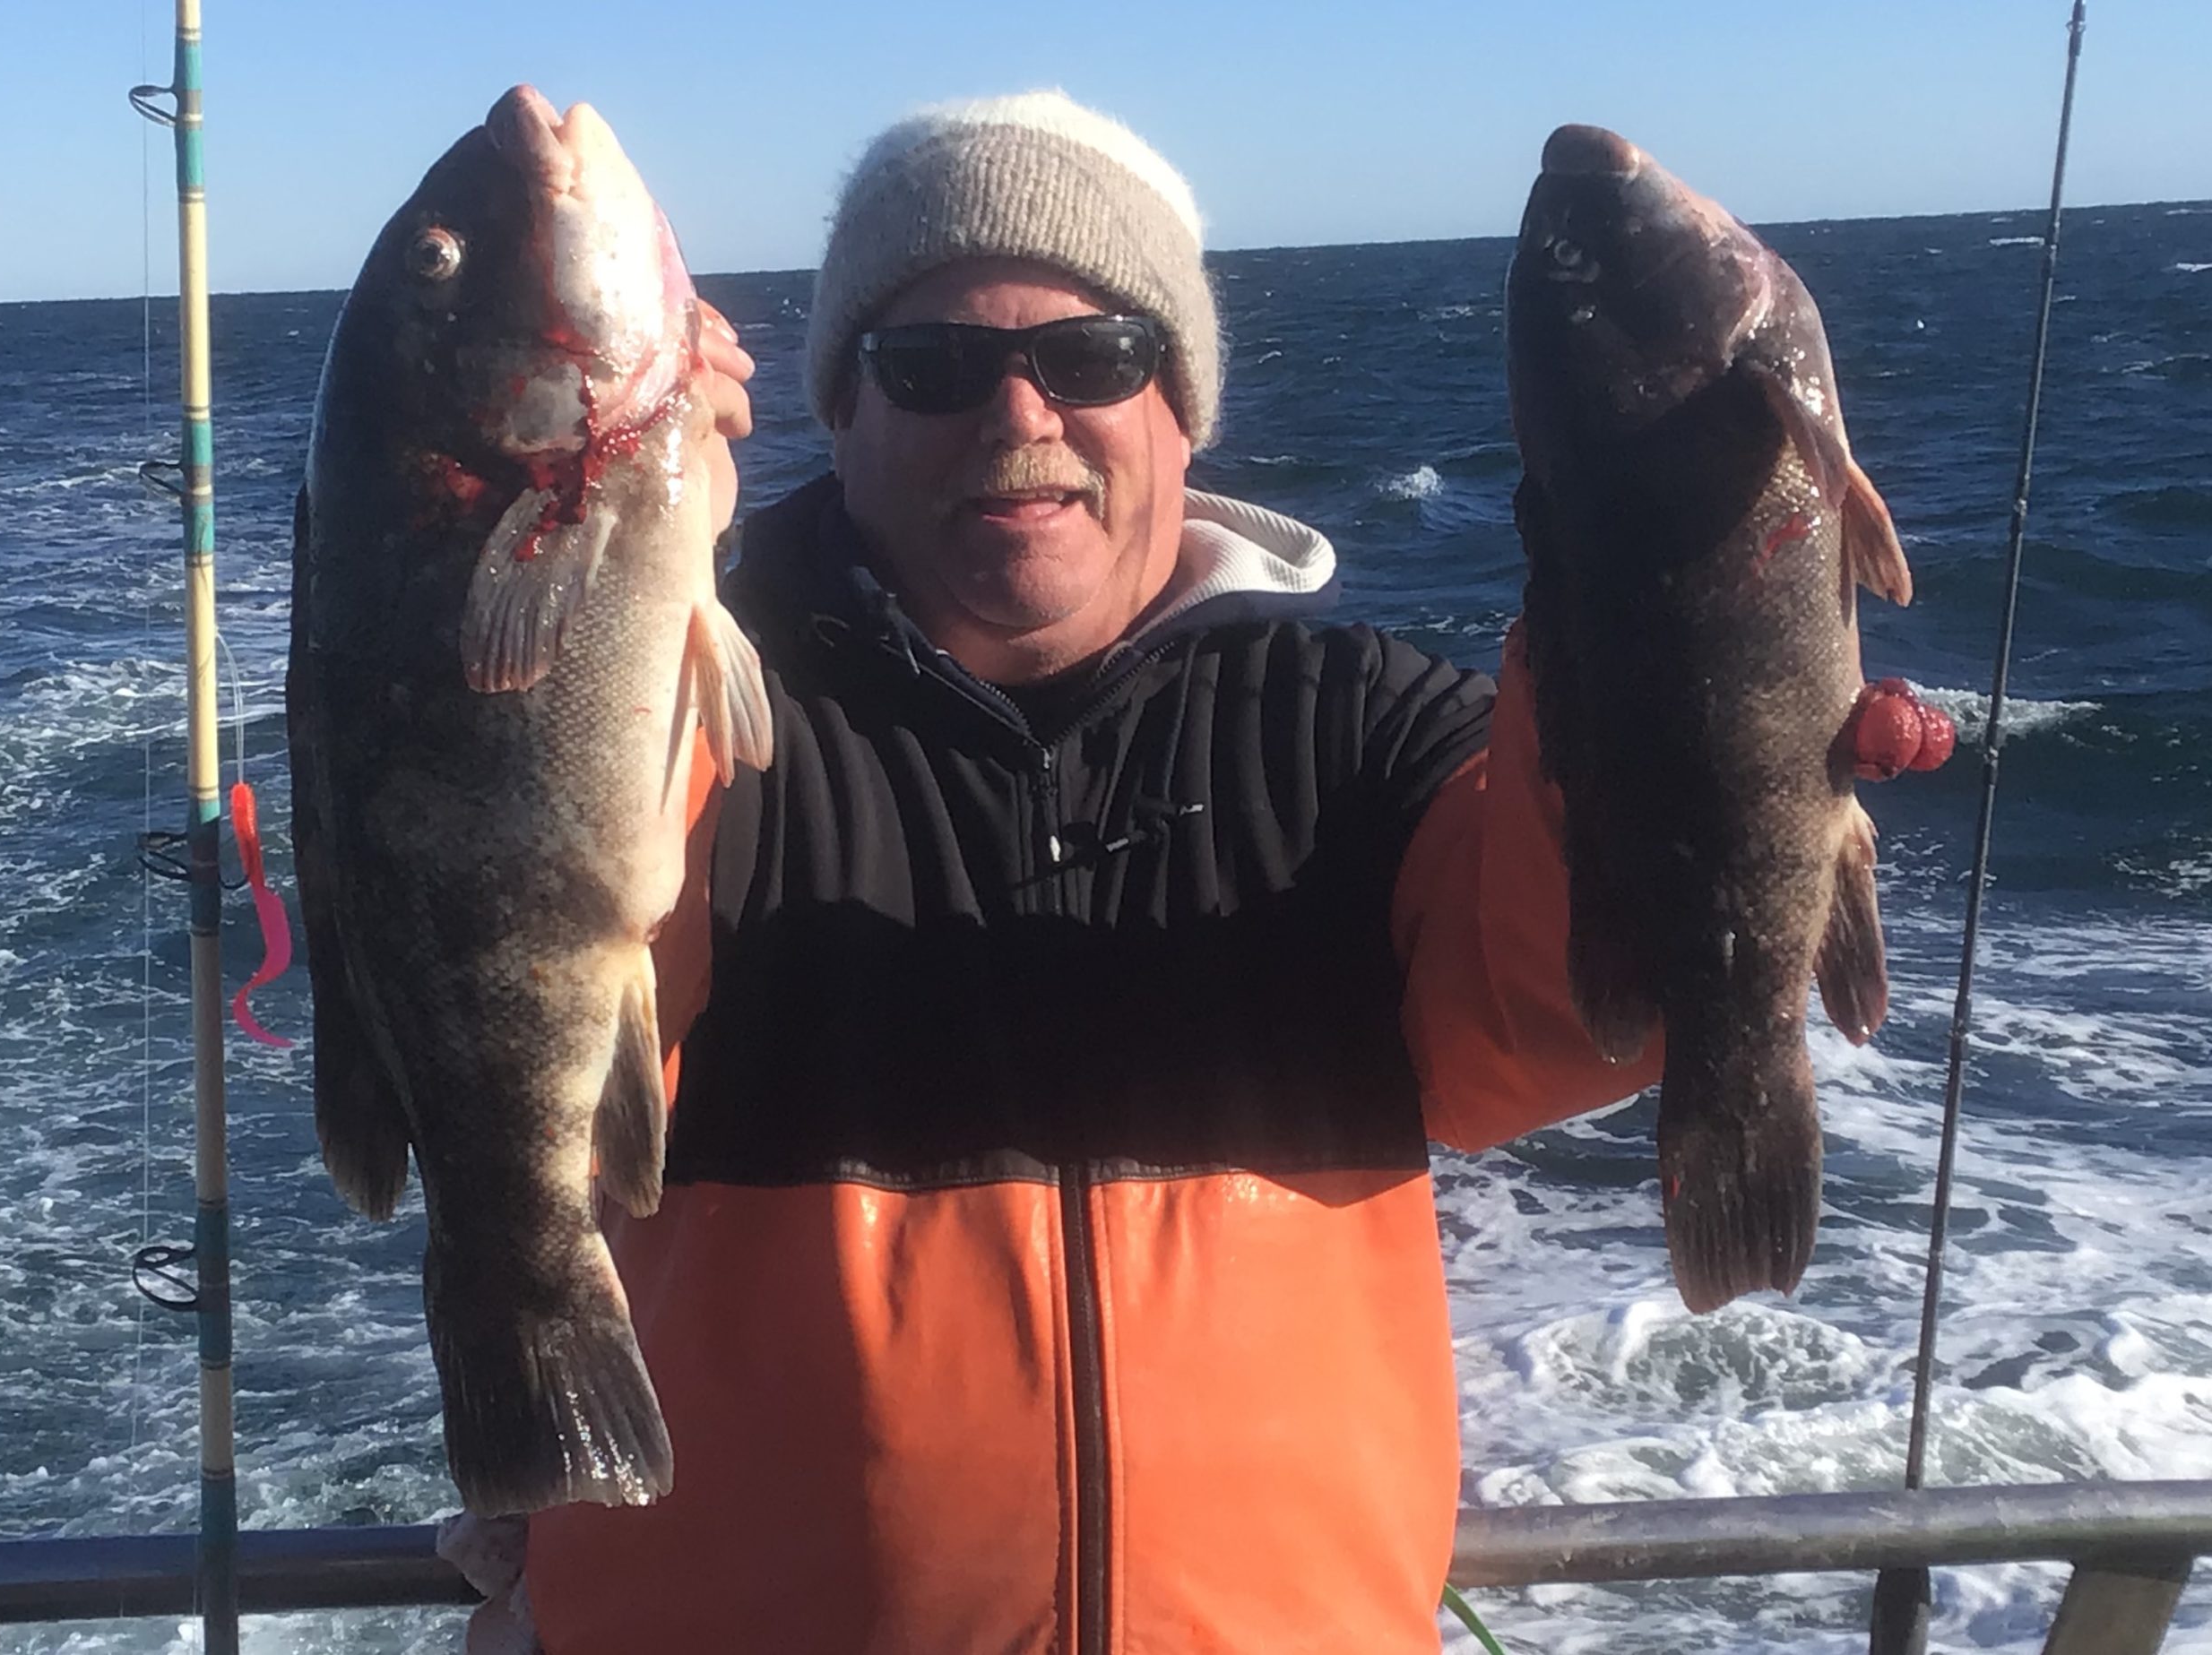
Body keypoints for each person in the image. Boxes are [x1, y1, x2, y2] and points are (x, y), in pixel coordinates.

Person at [478, 91, 1908, 1652]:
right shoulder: (697, 744)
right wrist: (622, 547)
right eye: (933, 366)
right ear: (839, 414)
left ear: (1181, 405)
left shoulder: (1358, 728)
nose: (1020, 413)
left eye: (1092, 354)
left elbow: (1560, 1018)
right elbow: (514, 949)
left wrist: (1698, 733)